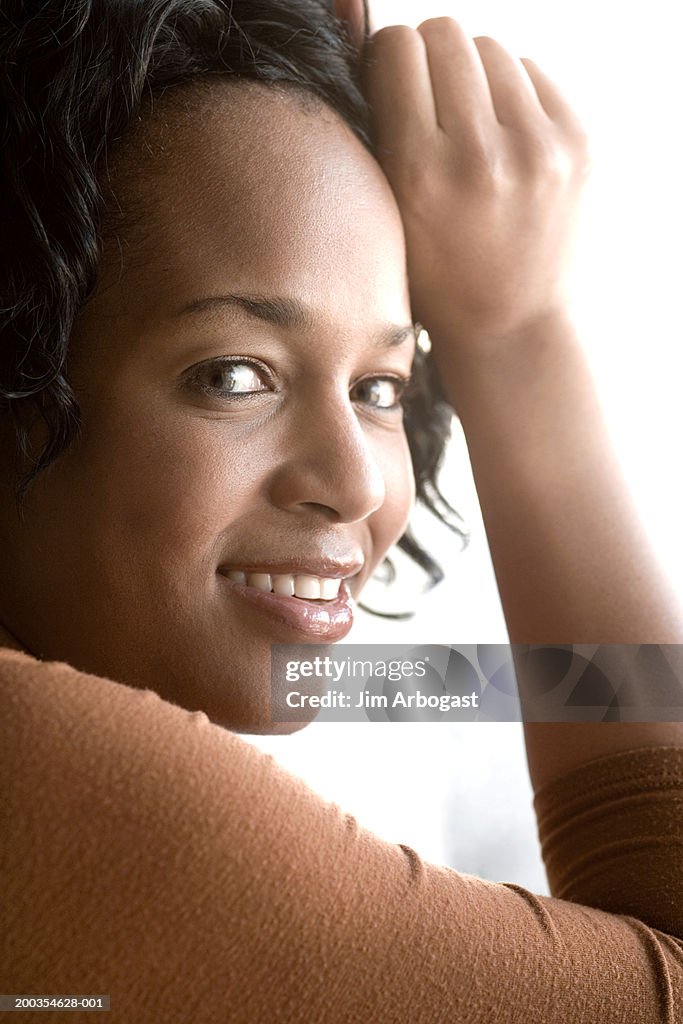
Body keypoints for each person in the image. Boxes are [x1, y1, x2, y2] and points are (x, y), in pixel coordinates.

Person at [1, 1, 682, 1021]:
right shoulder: (51, 780)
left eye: (380, 388)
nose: (358, 486)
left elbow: (473, 685)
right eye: (234, 375)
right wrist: (515, 334)